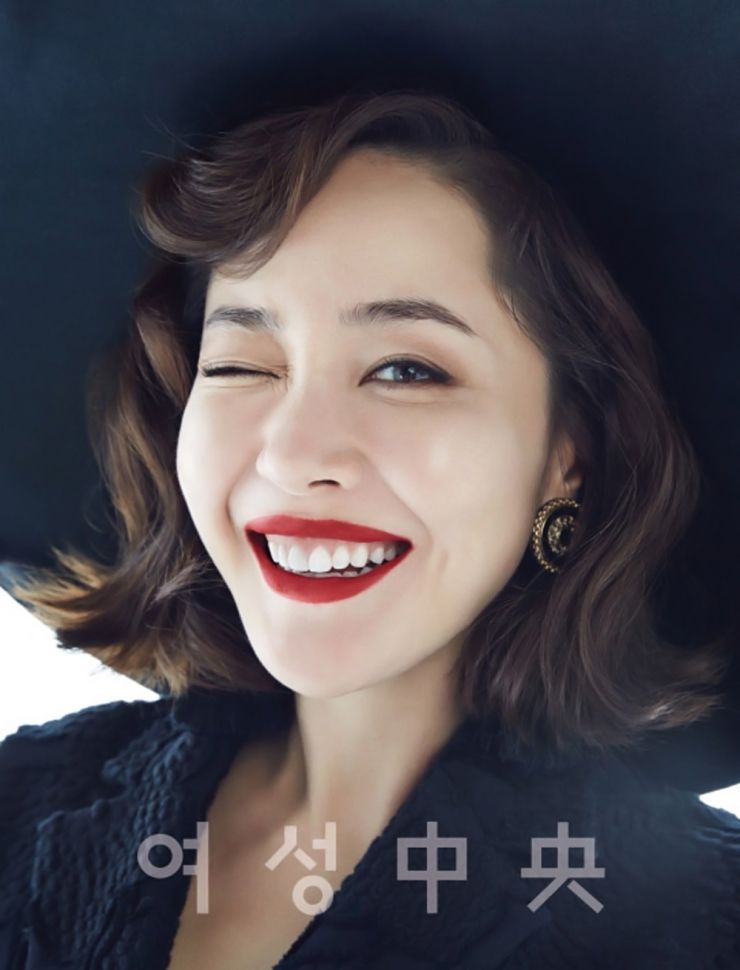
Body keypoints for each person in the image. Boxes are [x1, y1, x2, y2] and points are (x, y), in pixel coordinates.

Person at [2, 88, 739, 970]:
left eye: (406, 370)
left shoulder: (700, 925)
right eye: (240, 364)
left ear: (565, 457)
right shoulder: (23, 804)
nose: (294, 454)